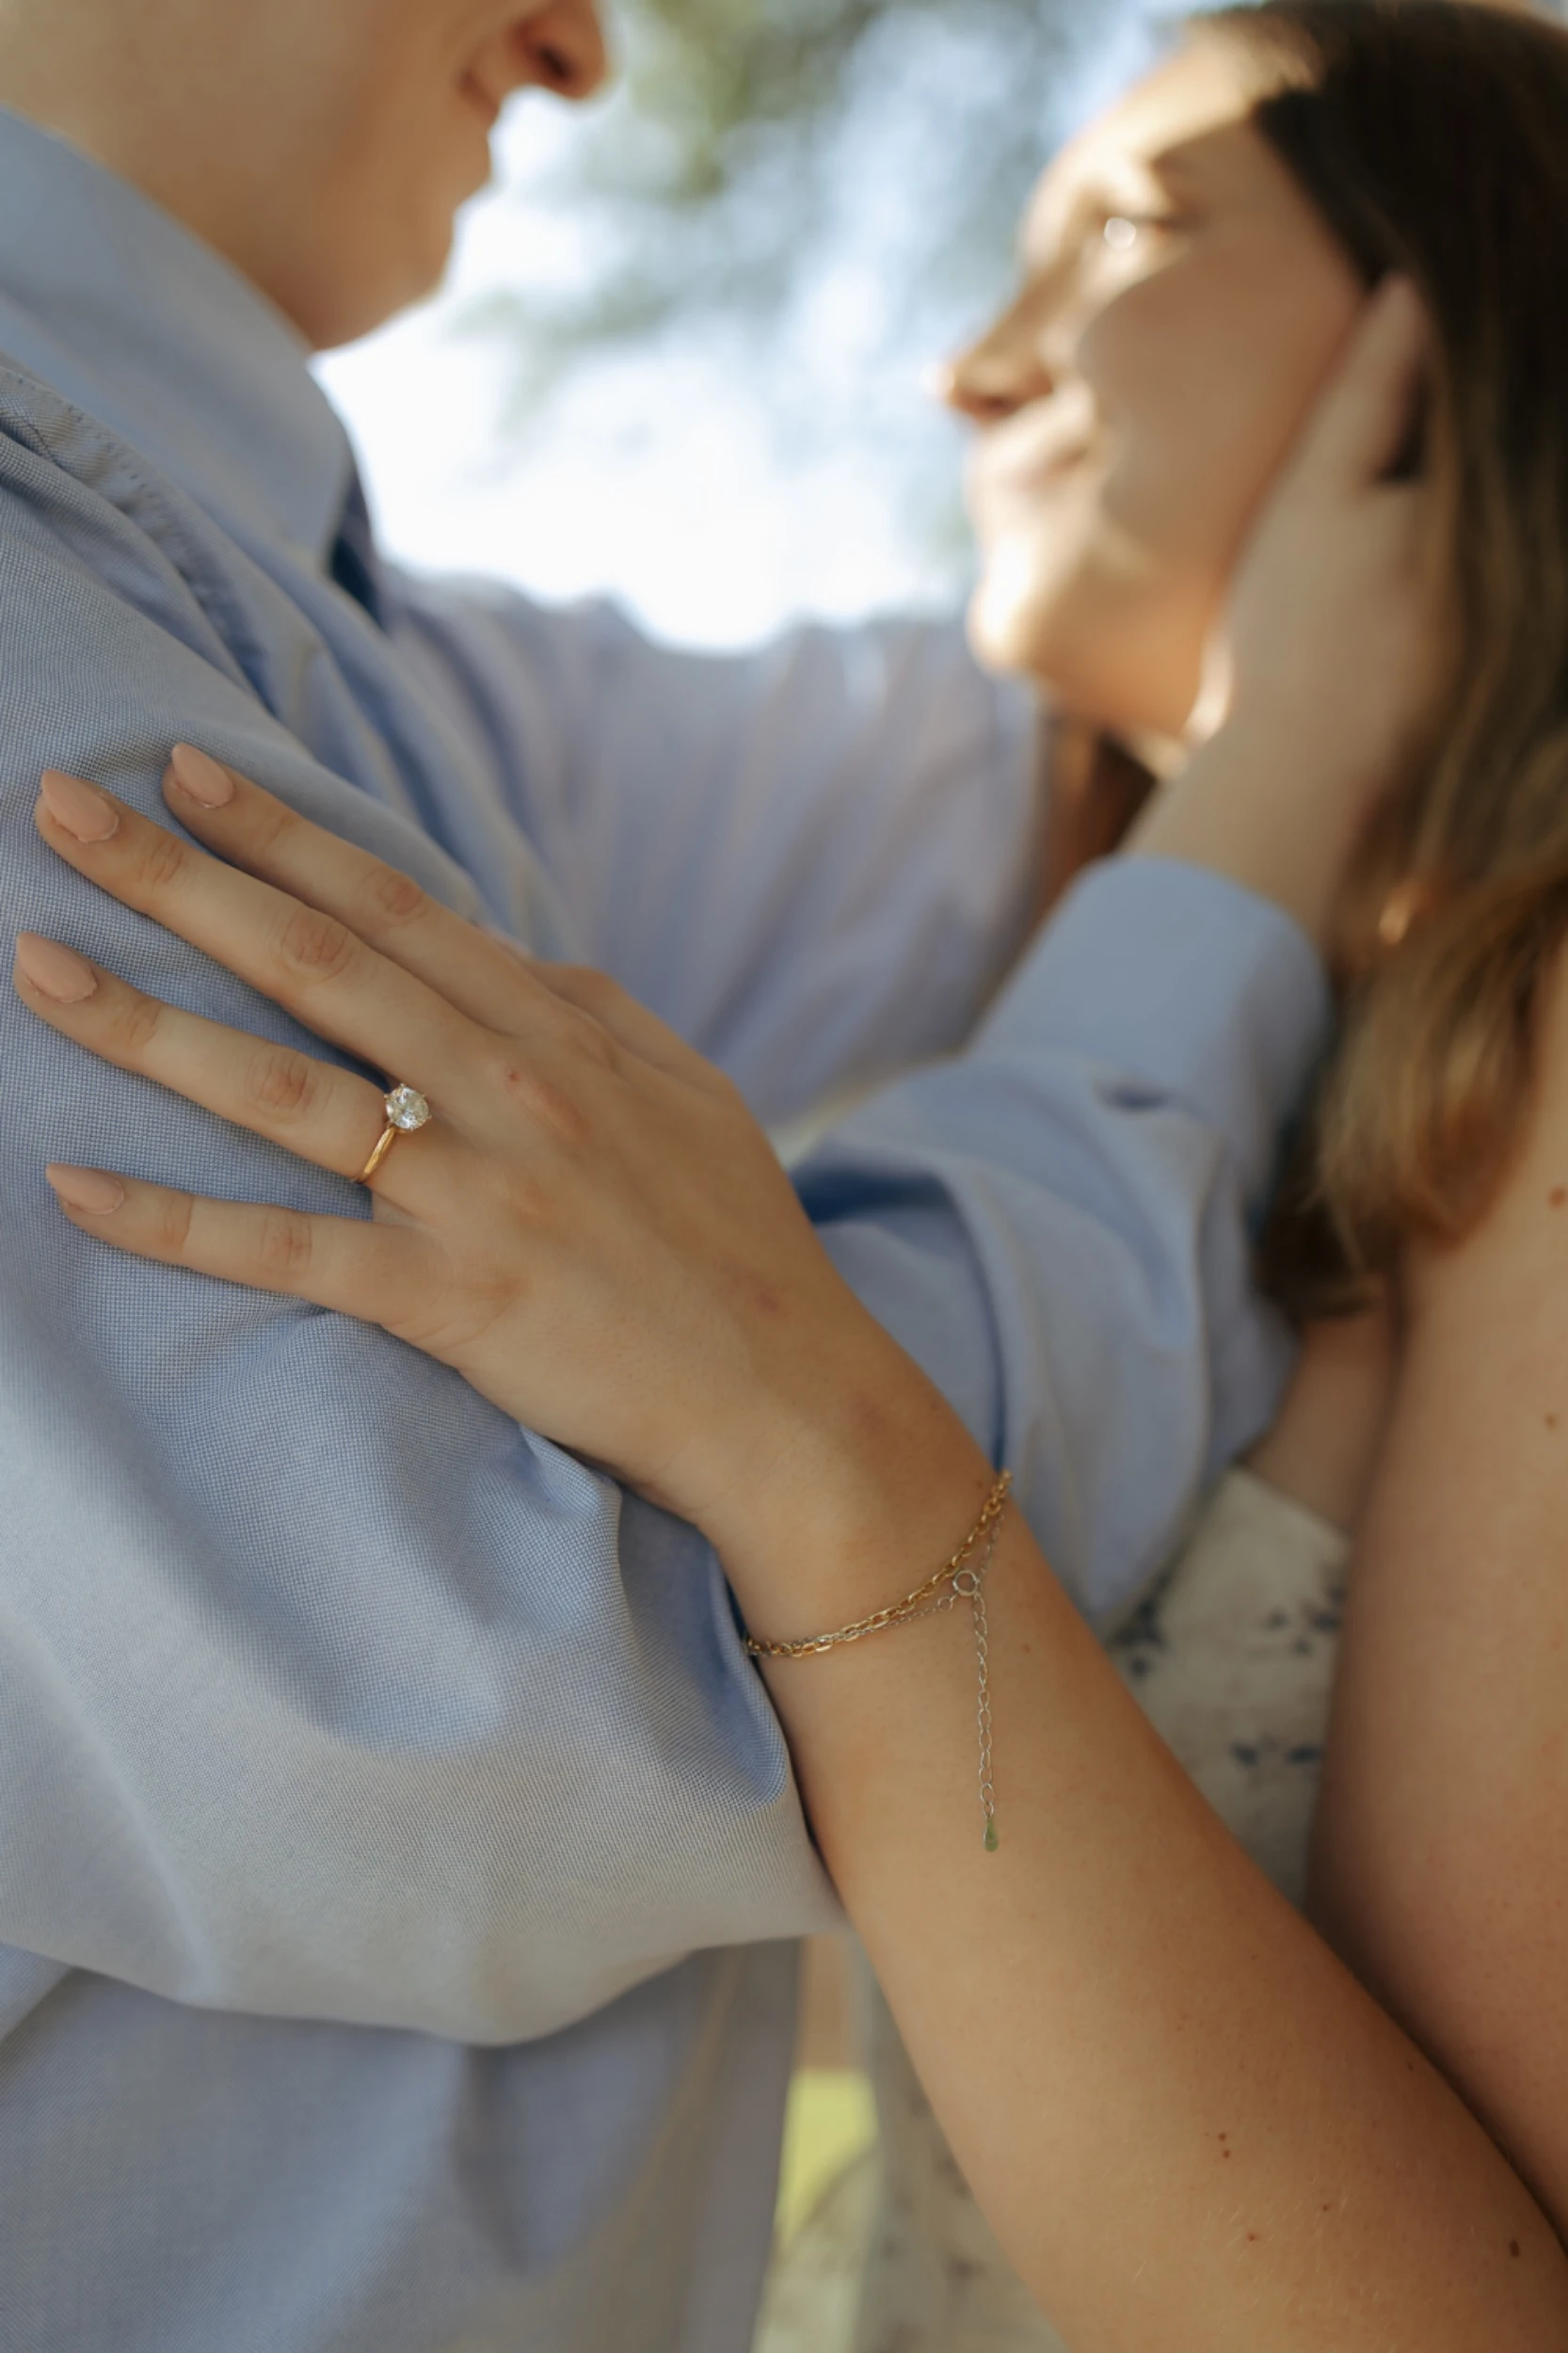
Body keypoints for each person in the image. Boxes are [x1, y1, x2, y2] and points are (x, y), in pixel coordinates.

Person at [0, 3, 1353, 2349]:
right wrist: (1281, 786)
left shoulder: (335, 637)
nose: (587, 50)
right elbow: (526, 1701)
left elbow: (964, 760)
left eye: (1129, 232)